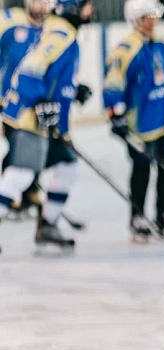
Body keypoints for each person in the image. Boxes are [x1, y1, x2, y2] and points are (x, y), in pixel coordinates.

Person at [0, 0, 94, 253]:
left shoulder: (63, 31)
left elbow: (52, 74)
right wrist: (40, 101)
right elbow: (29, 71)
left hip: (48, 122)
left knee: (67, 167)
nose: (90, 10)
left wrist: (72, 90)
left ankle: (48, 226)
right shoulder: (60, 32)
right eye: (85, 5)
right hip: (30, 118)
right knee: (20, 174)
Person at [103, 0, 164, 242]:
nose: (151, 22)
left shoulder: (163, 47)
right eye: (145, 17)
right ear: (134, 19)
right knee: (141, 170)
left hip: (162, 120)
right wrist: (115, 113)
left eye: (154, 16)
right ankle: (138, 218)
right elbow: (113, 83)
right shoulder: (125, 50)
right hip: (138, 124)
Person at [0, 0, 56, 220]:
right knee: (19, 149)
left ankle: (27, 192)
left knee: (35, 148)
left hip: (36, 106)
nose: (40, 6)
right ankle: (14, 195)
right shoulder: (11, 24)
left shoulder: (52, 31)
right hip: (10, 102)